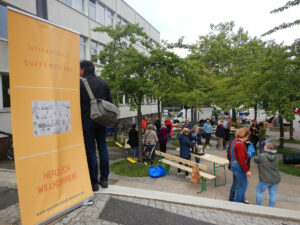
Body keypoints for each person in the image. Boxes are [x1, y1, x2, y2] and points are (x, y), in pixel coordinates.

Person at [80, 60, 112, 191]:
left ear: (82, 70)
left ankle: (93, 183)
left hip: (87, 121)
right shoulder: (103, 83)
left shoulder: (79, 84)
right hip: (102, 121)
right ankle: (104, 180)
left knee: (90, 151)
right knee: (103, 149)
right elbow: (110, 103)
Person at [228, 127, 252, 203]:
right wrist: (247, 170)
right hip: (239, 167)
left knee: (235, 183)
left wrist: (231, 165)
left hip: (234, 165)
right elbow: (241, 160)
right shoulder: (241, 145)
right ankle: (237, 203)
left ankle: (231, 198)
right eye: (248, 136)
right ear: (246, 136)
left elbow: (230, 155)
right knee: (243, 184)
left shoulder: (234, 141)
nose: (247, 138)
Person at [254, 142, 280, 207]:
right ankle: (271, 207)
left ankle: (258, 206)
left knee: (259, 192)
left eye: (265, 146)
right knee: (273, 193)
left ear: (266, 148)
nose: (264, 146)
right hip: (275, 179)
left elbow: (255, 159)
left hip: (265, 179)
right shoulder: (276, 156)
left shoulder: (262, 155)